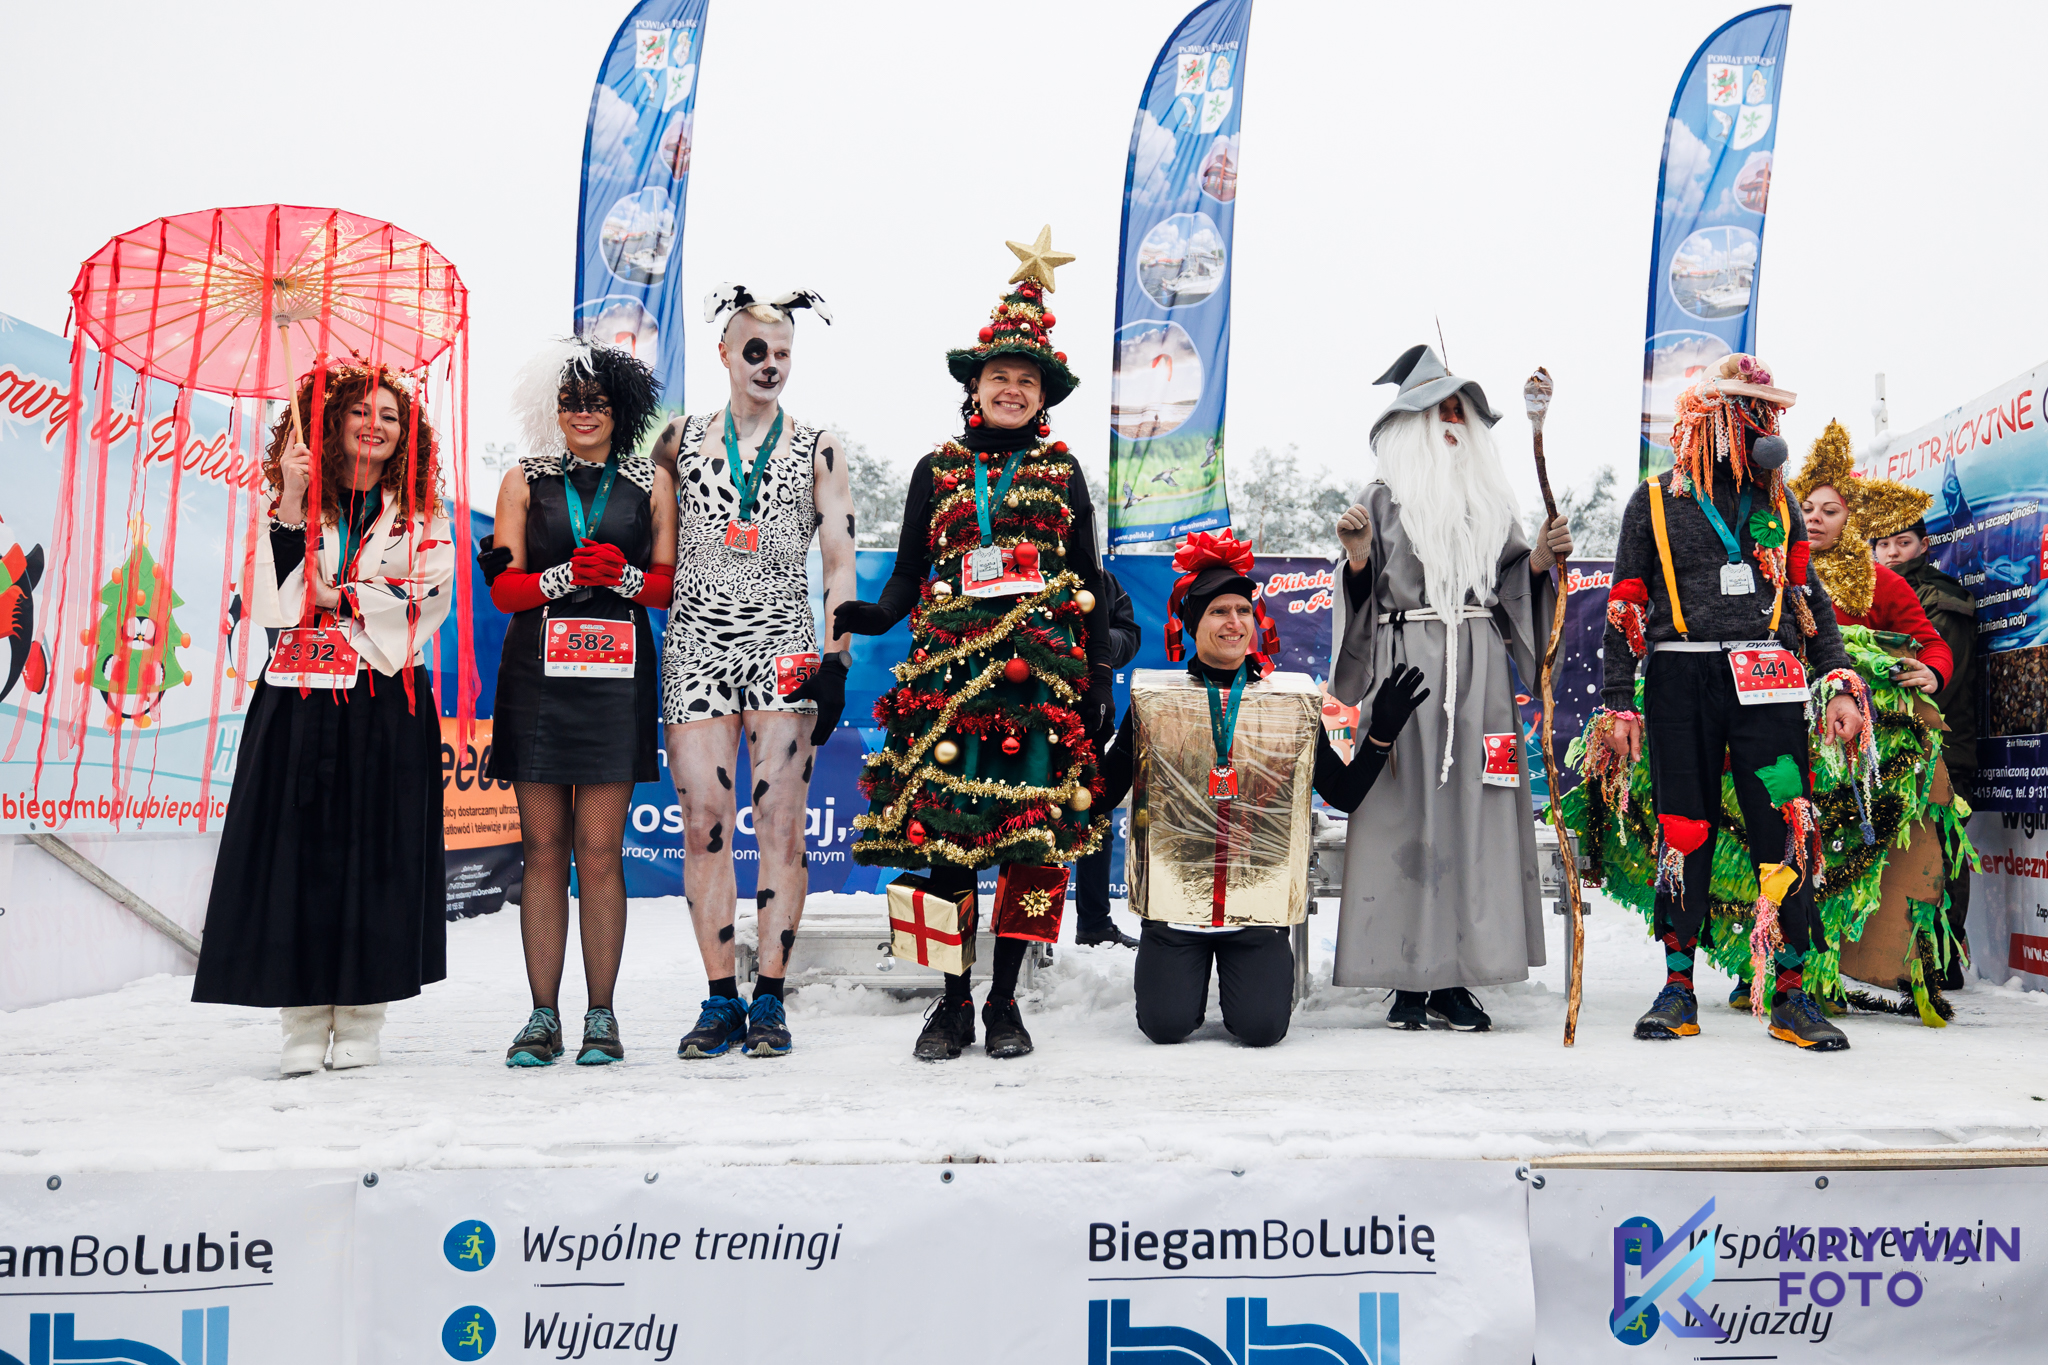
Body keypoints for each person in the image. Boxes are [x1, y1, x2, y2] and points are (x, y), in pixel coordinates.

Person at [836, 231, 1115, 1061]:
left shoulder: (1063, 473)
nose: (1012, 389)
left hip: (1036, 690)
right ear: (975, 386)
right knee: (945, 851)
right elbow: (909, 573)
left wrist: (1098, 677)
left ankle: (1005, 1001)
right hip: (948, 684)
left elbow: (1089, 579)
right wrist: (872, 615)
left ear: (1043, 396)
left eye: (1027, 380)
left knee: (1032, 848)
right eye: (1000, 377)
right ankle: (951, 1002)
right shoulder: (937, 468)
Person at [1596, 354, 1866, 1051]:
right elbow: (1626, 603)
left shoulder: (1782, 504)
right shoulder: (1652, 501)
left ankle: (1791, 993)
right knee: (1683, 830)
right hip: (1681, 683)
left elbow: (1807, 599)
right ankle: (1677, 987)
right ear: (1709, 419)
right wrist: (1619, 701)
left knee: (1787, 827)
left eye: (1767, 413)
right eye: (1748, 412)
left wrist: (1838, 680)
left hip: (1769, 681)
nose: (1762, 426)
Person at [192, 365, 454, 1076]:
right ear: (331, 421)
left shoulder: (422, 514)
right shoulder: (291, 502)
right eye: (361, 411)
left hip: (385, 698)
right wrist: (290, 496)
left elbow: (430, 593)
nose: (377, 424)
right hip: (298, 696)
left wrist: (339, 599)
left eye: (391, 416)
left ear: (407, 436)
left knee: (377, 854)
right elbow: (269, 601)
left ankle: (363, 1016)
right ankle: (302, 1020)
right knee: (295, 853)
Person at [1097, 531, 1429, 1045]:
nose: (1234, 622)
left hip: (1257, 915)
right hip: (1173, 912)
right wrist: (1084, 740)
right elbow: (1103, 792)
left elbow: (1342, 794)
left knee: (1262, 1030)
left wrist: (1381, 733)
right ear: (1192, 624)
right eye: (1218, 612)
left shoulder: (1290, 705)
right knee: (1164, 1027)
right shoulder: (1155, 703)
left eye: (1242, 611)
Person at [1327, 344, 1571, 1031]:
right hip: (1406, 671)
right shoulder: (1379, 498)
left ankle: (1458, 973)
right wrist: (1356, 560)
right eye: (1441, 410)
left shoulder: (1492, 502)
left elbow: (1515, 583)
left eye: (1462, 410)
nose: (1454, 422)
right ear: (1412, 425)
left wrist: (1541, 559)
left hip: (1482, 675)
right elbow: (1360, 594)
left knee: (1476, 814)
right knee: (1403, 811)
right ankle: (1406, 974)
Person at [651, 286, 851, 1060]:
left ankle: (769, 994)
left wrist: (836, 659)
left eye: (784, 353)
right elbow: (650, 542)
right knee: (704, 826)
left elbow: (839, 559)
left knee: (780, 825)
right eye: (756, 350)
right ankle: (718, 999)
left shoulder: (819, 446)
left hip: (784, 650)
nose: (771, 365)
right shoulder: (676, 439)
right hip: (696, 647)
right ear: (726, 353)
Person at [482, 340, 673, 1067]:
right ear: (554, 410)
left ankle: (601, 1016)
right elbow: (504, 589)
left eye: (597, 402)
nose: (583, 414)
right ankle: (541, 1017)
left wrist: (625, 578)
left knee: (599, 851)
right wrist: (560, 578)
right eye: (571, 402)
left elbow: (667, 585)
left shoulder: (651, 481)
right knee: (541, 850)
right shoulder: (522, 479)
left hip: (615, 682)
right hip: (536, 679)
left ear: (620, 411)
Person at [1875, 515, 1978, 989]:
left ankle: (1942, 960)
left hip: (1942, 746)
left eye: (1903, 542)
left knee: (1941, 851)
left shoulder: (1942, 599)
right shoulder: (1866, 591)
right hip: (1890, 746)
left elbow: (1935, 680)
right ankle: (1900, 958)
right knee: (1900, 855)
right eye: (1883, 544)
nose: (1893, 552)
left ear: (1924, 544)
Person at [1073, 569, 1141, 949]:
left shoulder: (1102, 580)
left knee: (1095, 816)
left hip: (1090, 718)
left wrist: (1095, 642)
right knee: (1027, 821)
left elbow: (1130, 636)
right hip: (1023, 718)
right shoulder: (1022, 572)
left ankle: (1095, 922)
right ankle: (1022, 929)